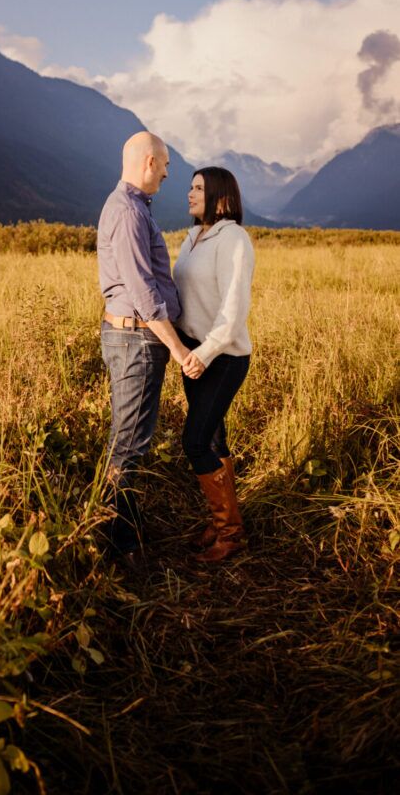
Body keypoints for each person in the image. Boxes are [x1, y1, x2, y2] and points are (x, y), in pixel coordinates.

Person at [97, 131, 190, 564]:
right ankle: (119, 544)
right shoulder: (130, 212)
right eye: (167, 165)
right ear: (150, 161)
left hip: (131, 335)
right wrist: (175, 346)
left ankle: (120, 531)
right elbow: (142, 289)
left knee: (128, 438)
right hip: (136, 336)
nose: (169, 174)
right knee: (130, 443)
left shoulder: (130, 207)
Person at [173, 166, 255, 563]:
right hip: (191, 353)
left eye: (199, 188)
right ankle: (223, 521)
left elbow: (233, 311)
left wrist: (203, 355)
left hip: (221, 358)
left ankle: (231, 534)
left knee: (194, 440)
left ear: (221, 197)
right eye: (190, 186)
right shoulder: (193, 237)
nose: (189, 193)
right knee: (214, 440)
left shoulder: (234, 239)